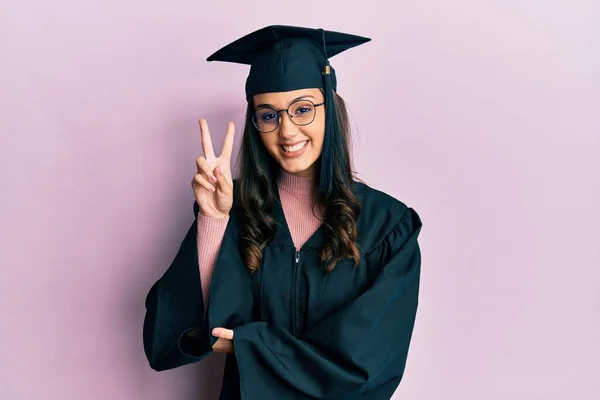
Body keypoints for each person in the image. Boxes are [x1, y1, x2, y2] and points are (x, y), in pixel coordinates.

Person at [142, 25, 423, 400]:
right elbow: (183, 328)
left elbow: (366, 364)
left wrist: (251, 345)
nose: (287, 131)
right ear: (255, 124)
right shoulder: (235, 210)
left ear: (330, 108)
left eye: (303, 109)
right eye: (268, 115)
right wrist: (214, 220)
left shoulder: (388, 226)